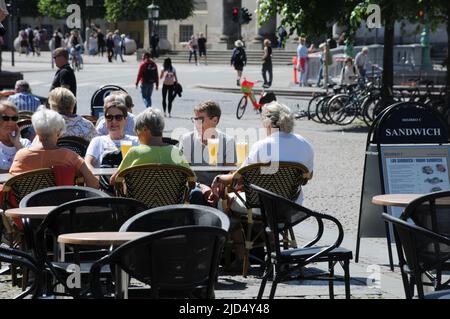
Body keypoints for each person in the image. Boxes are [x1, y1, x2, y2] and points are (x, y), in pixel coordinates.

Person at [210, 101, 314, 266]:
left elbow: (239, 177)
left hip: (261, 206)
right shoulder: (305, 144)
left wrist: (219, 178)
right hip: (290, 204)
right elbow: (307, 178)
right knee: (264, 198)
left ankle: (240, 256)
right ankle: (272, 247)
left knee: (224, 204)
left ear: (268, 122)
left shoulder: (261, 146)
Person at [9, 107, 99, 189]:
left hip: (26, 205)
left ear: (36, 130)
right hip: (61, 205)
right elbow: (93, 183)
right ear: (59, 132)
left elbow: (10, 184)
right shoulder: (70, 156)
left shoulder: (21, 156)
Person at [110, 108, 189, 185]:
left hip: (137, 197)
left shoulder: (134, 153)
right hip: (172, 197)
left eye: (137, 130)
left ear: (145, 129)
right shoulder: (175, 152)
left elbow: (114, 180)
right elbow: (191, 178)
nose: (136, 134)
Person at [85, 95, 139, 170]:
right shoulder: (98, 141)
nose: (114, 121)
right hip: (102, 180)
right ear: (105, 120)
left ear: (125, 120)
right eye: (109, 117)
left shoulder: (136, 141)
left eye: (118, 117)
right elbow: (87, 163)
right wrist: (95, 179)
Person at [179, 100, 236, 167]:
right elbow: (182, 171)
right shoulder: (186, 139)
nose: (197, 123)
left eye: (200, 119)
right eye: (195, 119)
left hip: (218, 177)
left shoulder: (228, 142)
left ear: (215, 120)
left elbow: (230, 172)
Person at [0, 101, 31, 173]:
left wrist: (17, 144)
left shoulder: (25, 143)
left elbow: (29, 169)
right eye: (5, 118)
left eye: (14, 118)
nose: (10, 122)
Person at [50, 48, 77, 113]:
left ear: (61, 57)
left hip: (63, 112)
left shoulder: (65, 72)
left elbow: (64, 94)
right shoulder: (63, 70)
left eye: (55, 57)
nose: (54, 60)